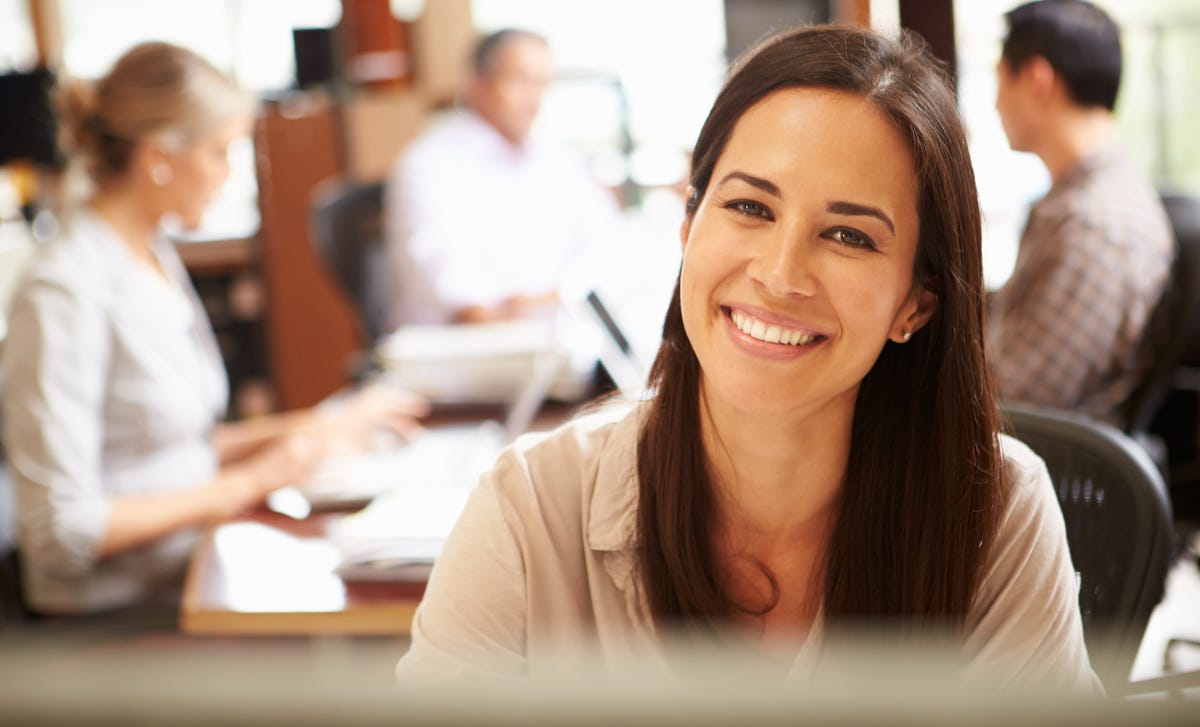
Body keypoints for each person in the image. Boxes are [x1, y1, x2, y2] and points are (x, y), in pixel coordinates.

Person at [394, 25, 1100, 693]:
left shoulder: (994, 513)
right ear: (687, 224)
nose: (781, 274)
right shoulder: (528, 512)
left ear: (915, 303)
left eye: (850, 236)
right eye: (751, 209)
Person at [1, 42, 426, 616]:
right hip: (122, 615)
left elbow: (174, 450)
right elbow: (64, 534)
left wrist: (323, 425)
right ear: (159, 157)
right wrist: (255, 478)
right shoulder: (64, 290)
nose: (229, 176)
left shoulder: (146, 252)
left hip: (191, 567)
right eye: (221, 153)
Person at [987, 0, 1174, 426]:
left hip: (1048, 472)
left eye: (999, 82)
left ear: (1036, 81)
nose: (996, 104)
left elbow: (1013, 398)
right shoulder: (1076, 203)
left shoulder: (1094, 226)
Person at [384, 28, 618, 327]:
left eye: (542, 83)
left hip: (546, 335)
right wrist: (518, 307)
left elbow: (604, 242)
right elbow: (451, 290)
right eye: (520, 80)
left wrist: (560, 294)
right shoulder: (429, 164)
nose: (533, 98)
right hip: (461, 352)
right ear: (477, 83)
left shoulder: (555, 155)